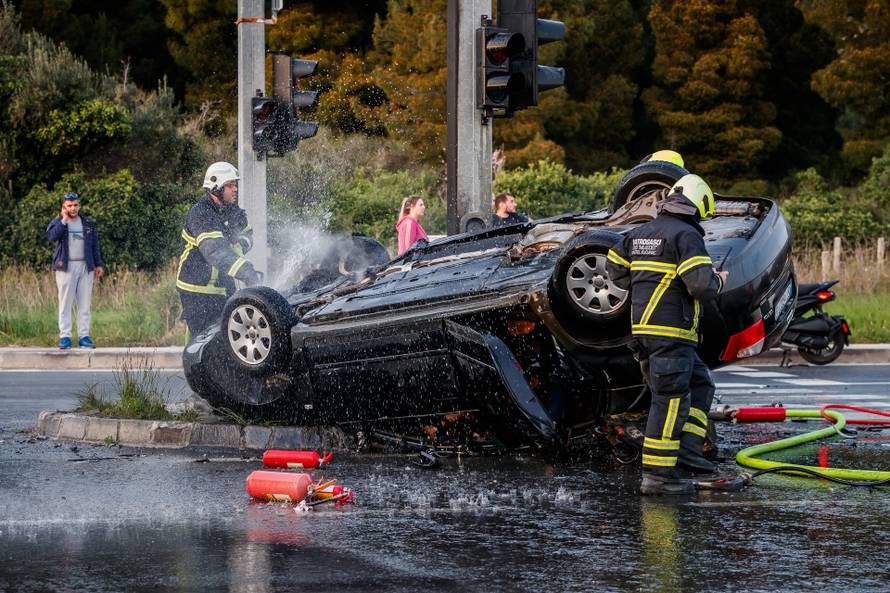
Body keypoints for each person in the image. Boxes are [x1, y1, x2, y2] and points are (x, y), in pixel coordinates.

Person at [606, 174, 729, 495]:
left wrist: (640, 281)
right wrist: (719, 279)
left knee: (701, 383)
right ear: (698, 203)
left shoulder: (640, 232)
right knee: (670, 399)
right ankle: (658, 476)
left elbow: (613, 267)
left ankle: (688, 449)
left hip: (645, 334)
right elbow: (701, 286)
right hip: (671, 334)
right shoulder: (686, 236)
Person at [177, 162, 261, 336]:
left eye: (235, 185)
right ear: (215, 188)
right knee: (205, 344)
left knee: (226, 341)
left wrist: (240, 245)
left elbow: (248, 234)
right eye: (230, 185)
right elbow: (215, 252)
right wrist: (247, 272)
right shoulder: (201, 213)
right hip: (197, 291)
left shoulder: (233, 211)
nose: (235, 189)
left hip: (223, 288)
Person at [46, 192, 104, 349]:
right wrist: (63, 220)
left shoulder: (87, 223)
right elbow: (51, 236)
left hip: (86, 267)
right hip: (66, 268)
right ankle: (65, 336)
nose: (73, 208)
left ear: (79, 205)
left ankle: (84, 336)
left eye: (75, 205)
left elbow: (95, 245)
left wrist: (98, 264)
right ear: (64, 207)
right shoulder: (59, 222)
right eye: (69, 205)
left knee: (84, 303)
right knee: (65, 303)